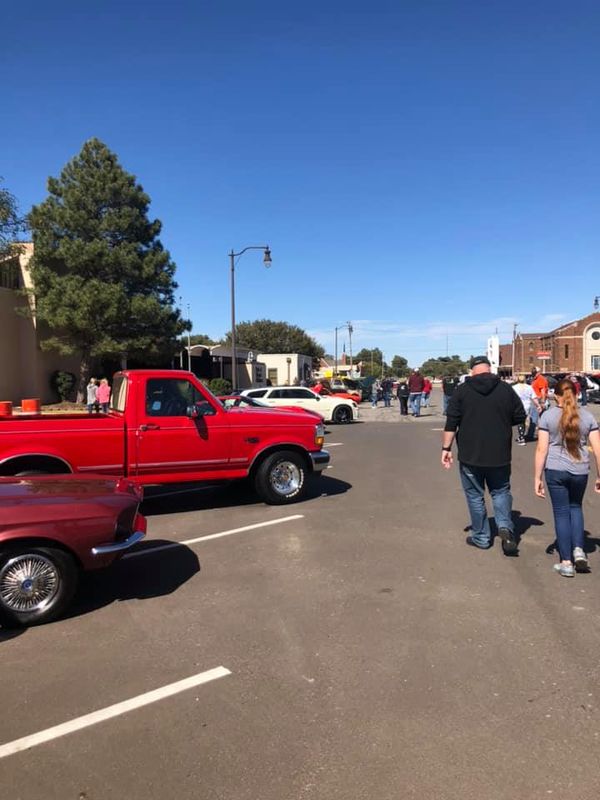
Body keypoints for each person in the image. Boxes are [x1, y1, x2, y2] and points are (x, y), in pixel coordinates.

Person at [441, 356, 526, 554]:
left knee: (475, 495)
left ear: (472, 371)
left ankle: (481, 537)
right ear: (489, 369)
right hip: (500, 453)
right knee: (500, 491)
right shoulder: (506, 389)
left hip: (471, 454)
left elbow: (451, 422)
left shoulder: (462, 391)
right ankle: (505, 528)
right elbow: (520, 416)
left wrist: (446, 449)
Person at [534, 379, 600, 577]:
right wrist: (599, 475)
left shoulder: (548, 416)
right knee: (575, 508)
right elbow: (597, 449)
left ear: (556, 395)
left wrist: (537, 477)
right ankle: (579, 550)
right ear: (577, 394)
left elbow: (541, 449)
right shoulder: (587, 417)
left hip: (555, 470)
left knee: (561, 513)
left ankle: (566, 562)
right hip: (580, 470)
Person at [512, 374, 541, 445]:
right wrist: (538, 405)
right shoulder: (529, 387)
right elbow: (534, 397)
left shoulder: (514, 387)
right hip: (527, 406)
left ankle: (522, 439)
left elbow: (510, 397)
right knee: (523, 421)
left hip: (517, 406)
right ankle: (521, 437)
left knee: (520, 422)